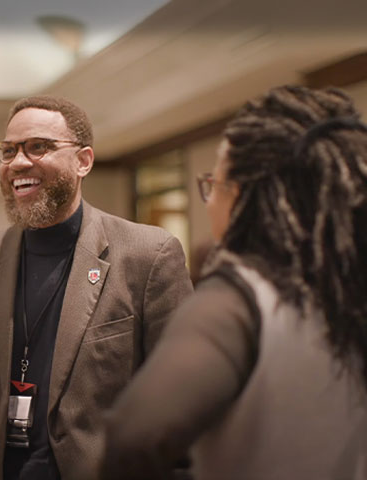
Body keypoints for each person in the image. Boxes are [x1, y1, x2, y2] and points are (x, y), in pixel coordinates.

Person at [102, 85, 367, 480]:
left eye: (213, 184)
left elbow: (135, 437)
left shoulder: (239, 298)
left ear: (244, 197)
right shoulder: (349, 291)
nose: (208, 201)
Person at [0, 95, 193, 480]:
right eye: (9, 150)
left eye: (38, 147)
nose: (19, 162)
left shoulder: (147, 256)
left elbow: (180, 399)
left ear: (83, 161)